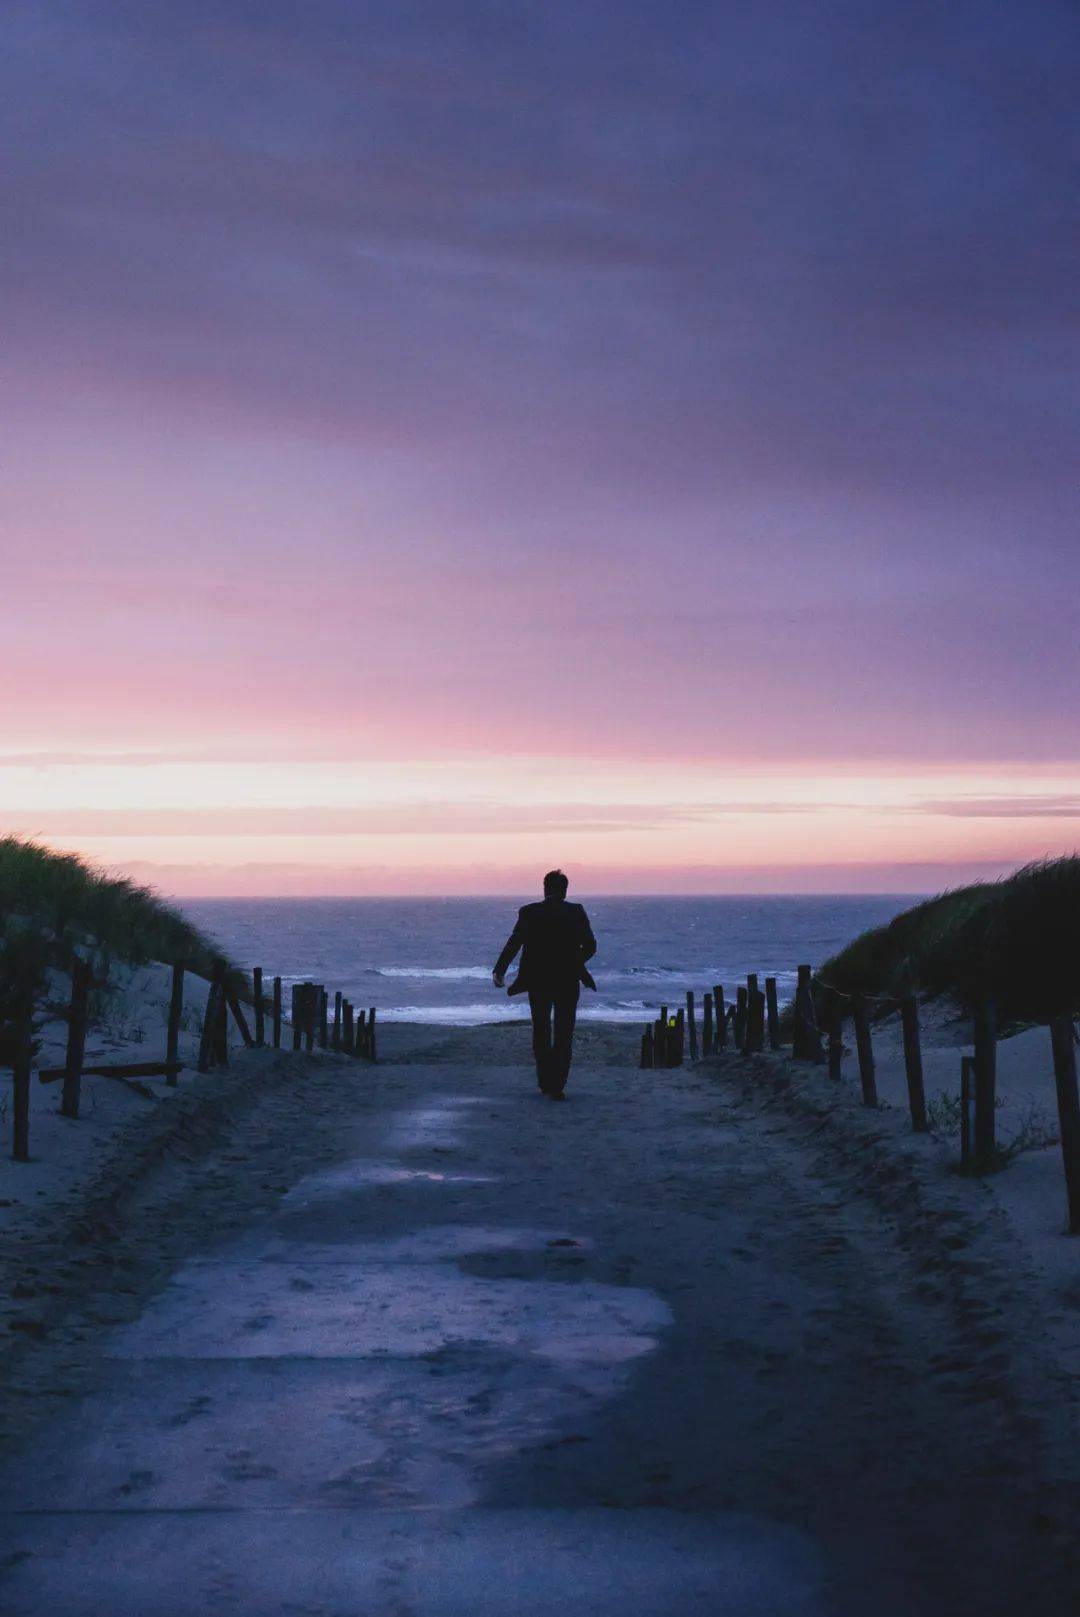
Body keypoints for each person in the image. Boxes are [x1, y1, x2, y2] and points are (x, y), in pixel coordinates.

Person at [492, 870, 597, 1099]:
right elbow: (590, 946)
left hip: (538, 982)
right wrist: (573, 963)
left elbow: (514, 943)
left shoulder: (530, 912)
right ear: (565, 890)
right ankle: (558, 1085)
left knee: (541, 1031)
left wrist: (500, 970)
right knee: (564, 1032)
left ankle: (545, 1082)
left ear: (545, 888)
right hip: (567, 981)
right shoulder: (576, 912)